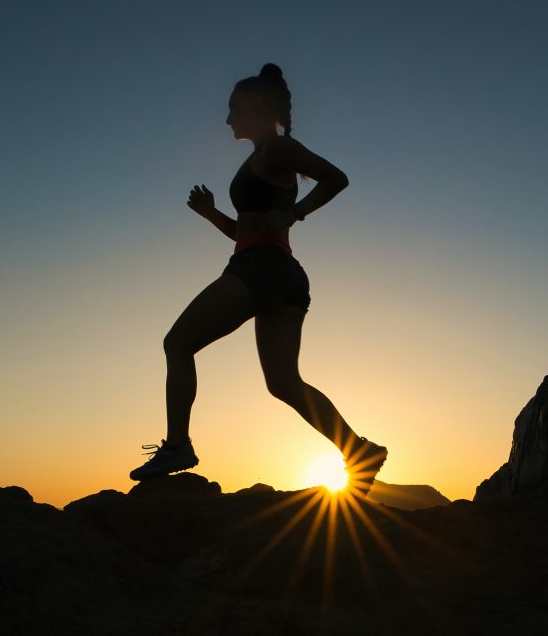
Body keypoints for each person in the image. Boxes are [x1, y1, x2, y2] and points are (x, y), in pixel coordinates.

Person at [130, 62, 389, 497]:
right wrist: (212, 213)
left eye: (233, 109)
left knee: (177, 343)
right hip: (280, 272)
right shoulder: (262, 156)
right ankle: (359, 450)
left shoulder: (275, 150)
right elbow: (246, 231)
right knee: (283, 382)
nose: (228, 118)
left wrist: (294, 212)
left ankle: (177, 447)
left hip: (261, 268)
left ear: (254, 107)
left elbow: (336, 178)